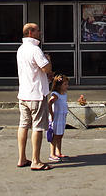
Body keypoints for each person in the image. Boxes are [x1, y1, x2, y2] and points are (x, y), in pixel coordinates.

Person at [16, 23, 53, 171]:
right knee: (37, 126)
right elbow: (46, 68)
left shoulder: (21, 49)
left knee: (23, 125)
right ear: (30, 33)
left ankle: (21, 158)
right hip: (36, 94)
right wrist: (48, 59)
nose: (40, 32)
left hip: (23, 93)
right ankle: (36, 160)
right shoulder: (35, 49)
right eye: (38, 30)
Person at [47, 74, 70, 162]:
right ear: (59, 85)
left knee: (60, 135)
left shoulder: (64, 94)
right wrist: (52, 114)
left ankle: (58, 152)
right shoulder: (56, 95)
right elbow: (50, 102)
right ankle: (52, 153)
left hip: (62, 117)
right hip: (57, 118)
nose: (67, 86)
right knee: (55, 136)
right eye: (65, 84)